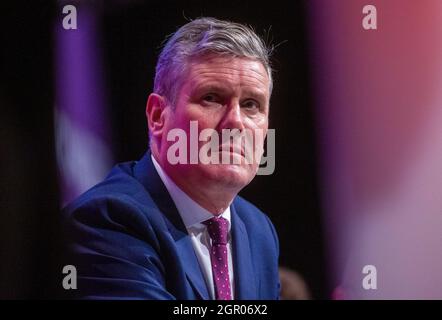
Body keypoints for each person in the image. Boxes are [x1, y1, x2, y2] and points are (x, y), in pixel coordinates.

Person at [62, 17, 280, 300]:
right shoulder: (106, 219)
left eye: (251, 104)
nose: (236, 122)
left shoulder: (258, 230)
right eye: (211, 98)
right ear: (157, 116)